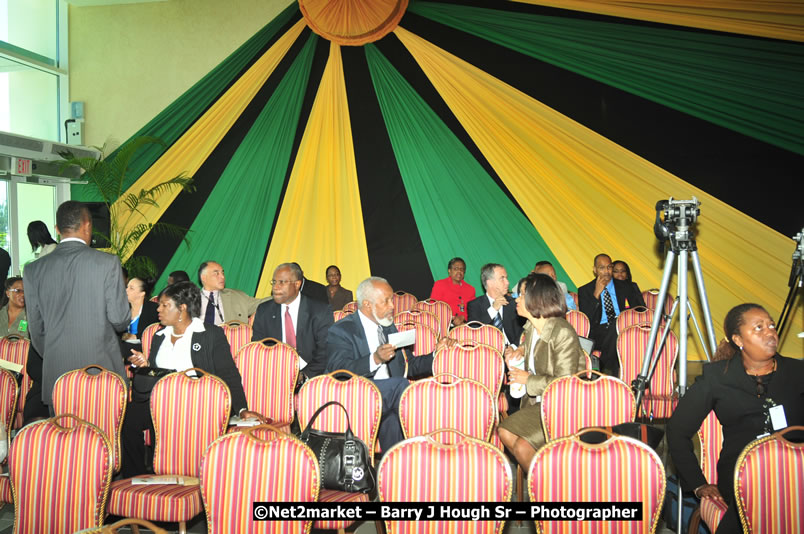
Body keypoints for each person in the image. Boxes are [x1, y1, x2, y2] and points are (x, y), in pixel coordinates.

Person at [667, 303, 804, 534]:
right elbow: (677, 431)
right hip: (743, 473)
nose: (770, 332)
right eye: (758, 328)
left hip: (796, 469)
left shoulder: (797, 372)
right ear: (738, 340)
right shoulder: (717, 378)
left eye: (771, 325)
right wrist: (698, 484)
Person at [121, 281, 249, 477]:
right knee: (127, 419)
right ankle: (137, 476)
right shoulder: (159, 336)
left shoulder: (210, 335)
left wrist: (241, 408)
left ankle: (201, 475)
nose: (159, 309)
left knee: (174, 418)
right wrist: (145, 366)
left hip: (197, 403)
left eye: (165, 305)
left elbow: (228, 373)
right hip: (160, 400)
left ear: (182, 308)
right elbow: (156, 372)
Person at [23, 201, 130, 408]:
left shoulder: (33, 270)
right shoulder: (107, 263)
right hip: (101, 371)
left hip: (57, 370)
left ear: (57, 229)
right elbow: (119, 320)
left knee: (65, 437)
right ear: (88, 226)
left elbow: (35, 329)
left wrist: (56, 351)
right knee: (103, 437)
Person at [327, 276, 451, 451]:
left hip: (388, 398)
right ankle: (429, 446)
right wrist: (375, 359)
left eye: (392, 300)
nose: (393, 306)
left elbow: (411, 366)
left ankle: (393, 472)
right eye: (386, 301)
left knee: (393, 419)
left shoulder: (388, 327)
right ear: (368, 304)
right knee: (399, 385)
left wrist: (437, 353)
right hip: (356, 396)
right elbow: (338, 371)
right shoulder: (341, 330)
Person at [497, 273, 586, 471]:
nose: (516, 299)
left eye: (521, 294)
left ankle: (548, 487)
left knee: (519, 444)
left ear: (536, 299)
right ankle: (549, 473)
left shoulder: (562, 332)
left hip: (564, 408)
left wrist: (529, 379)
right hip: (538, 404)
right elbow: (532, 358)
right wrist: (517, 355)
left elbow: (565, 383)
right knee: (504, 432)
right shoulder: (531, 328)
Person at [252, 263, 333, 378]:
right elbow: (259, 349)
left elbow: (325, 353)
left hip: (312, 377)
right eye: (274, 282)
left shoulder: (320, 311)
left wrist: (303, 376)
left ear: (297, 284)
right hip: (275, 374)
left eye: (282, 282)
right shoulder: (264, 311)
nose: (275, 287)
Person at [577, 254, 645, 374]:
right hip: (599, 332)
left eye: (609, 267)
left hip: (625, 327)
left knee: (617, 323)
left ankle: (603, 366)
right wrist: (596, 294)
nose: (606, 271)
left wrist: (626, 319)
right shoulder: (585, 290)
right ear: (595, 270)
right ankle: (612, 371)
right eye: (602, 268)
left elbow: (641, 310)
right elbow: (586, 319)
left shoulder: (627, 287)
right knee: (615, 327)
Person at [467, 263, 524, 345]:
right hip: (487, 352)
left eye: (506, 278)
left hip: (512, 351)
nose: (507, 282)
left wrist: (514, 347)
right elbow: (474, 330)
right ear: (490, 283)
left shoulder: (514, 303)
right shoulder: (475, 305)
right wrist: (493, 310)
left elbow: (524, 330)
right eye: (502, 278)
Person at [198, 261, 268, 325]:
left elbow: (261, 304)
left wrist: (278, 295)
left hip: (228, 338)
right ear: (204, 278)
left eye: (222, 273)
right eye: (216, 273)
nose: (222, 277)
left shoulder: (237, 296)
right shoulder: (190, 299)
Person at [429, 257, 476, 326]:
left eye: (462, 269)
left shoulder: (470, 289)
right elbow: (434, 306)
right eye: (456, 269)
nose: (459, 271)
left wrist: (463, 317)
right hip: (443, 324)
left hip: (464, 324)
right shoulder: (440, 284)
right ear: (449, 271)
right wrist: (451, 318)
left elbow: (473, 310)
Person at [120, 277, 159, 347]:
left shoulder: (154, 310)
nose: (126, 290)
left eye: (131, 288)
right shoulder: (122, 308)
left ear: (142, 294)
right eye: (127, 287)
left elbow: (156, 334)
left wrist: (136, 337)